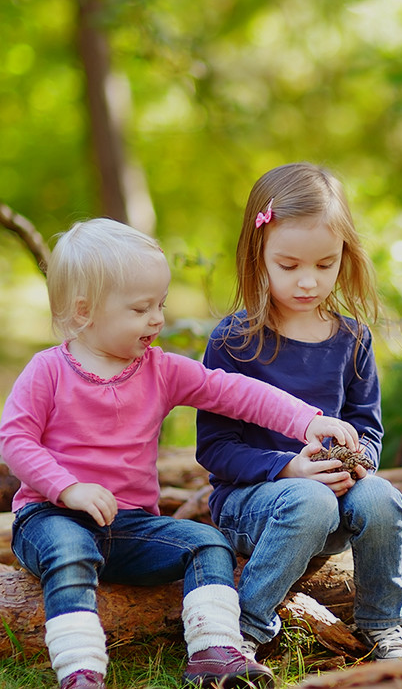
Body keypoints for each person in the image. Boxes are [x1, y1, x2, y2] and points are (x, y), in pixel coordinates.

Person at [0, 217, 359, 689]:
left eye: (161, 304)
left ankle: (214, 650)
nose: (157, 319)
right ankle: (81, 670)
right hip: (50, 517)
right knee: (70, 551)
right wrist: (67, 488)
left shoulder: (160, 369)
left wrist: (306, 420)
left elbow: (235, 392)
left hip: (129, 527)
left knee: (208, 542)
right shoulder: (48, 370)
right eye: (140, 309)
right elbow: (15, 440)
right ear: (85, 312)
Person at [196, 163, 402, 663]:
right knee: (309, 500)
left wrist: (355, 461)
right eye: (290, 264)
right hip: (252, 505)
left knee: (383, 497)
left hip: (333, 499)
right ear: (259, 257)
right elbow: (214, 449)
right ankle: (245, 630)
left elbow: (367, 425)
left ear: (345, 256)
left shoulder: (352, 339)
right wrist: (291, 468)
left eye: (325, 264)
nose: (308, 281)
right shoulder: (235, 341)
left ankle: (384, 625)